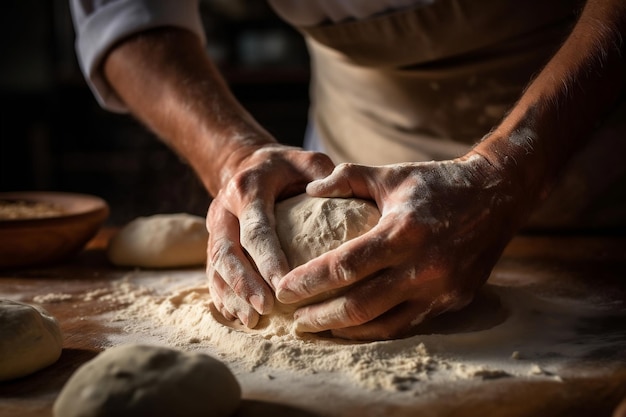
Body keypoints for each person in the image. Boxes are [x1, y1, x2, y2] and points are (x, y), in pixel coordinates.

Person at [69, 1, 625, 343]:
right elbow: (129, 20)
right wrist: (233, 155)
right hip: (360, 140)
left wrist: (511, 171)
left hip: (583, 127)